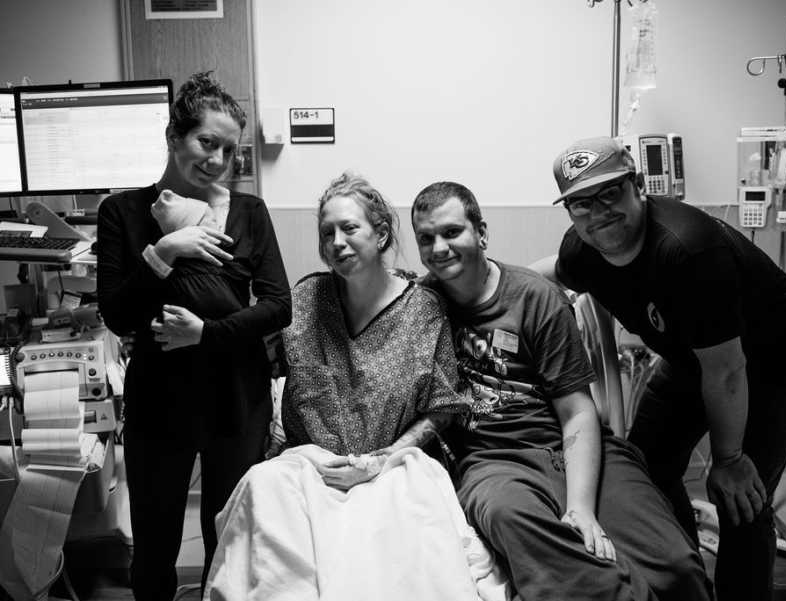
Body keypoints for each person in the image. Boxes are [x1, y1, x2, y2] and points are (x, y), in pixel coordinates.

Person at [537, 136, 786, 601]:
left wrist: (730, 459)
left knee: (740, 501)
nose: (598, 213)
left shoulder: (687, 249)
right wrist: (480, 286)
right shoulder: (582, 250)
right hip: (696, 360)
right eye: (581, 203)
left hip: (777, 362)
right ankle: (688, 586)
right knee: (647, 469)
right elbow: (547, 273)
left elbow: (729, 370)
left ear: (638, 185)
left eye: (610, 193)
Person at [204, 173, 509, 601]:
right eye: (327, 232)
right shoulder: (307, 299)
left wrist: (385, 459)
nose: (337, 242)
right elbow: (264, 366)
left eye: (349, 228)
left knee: (393, 554)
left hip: (393, 468)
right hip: (310, 465)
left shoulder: (423, 310)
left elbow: (443, 408)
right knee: (260, 490)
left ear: (381, 233)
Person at [411, 181, 710, 601]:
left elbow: (577, 411)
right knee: (510, 518)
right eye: (426, 238)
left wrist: (581, 507)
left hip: (570, 446)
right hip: (491, 462)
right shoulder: (420, 308)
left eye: (452, 232)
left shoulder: (535, 298)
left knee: (677, 567)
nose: (439, 248)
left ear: (481, 231)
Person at [97, 71, 292, 601]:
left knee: (228, 538)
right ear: (174, 136)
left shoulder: (249, 212)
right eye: (207, 142)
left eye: (229, 150)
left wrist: (206, 333)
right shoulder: (123, 213)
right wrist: (166, 251)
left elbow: (279, 307)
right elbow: (117, 315)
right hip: (160, 398)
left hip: (237, 394)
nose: (217, 160)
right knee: (156, 543)